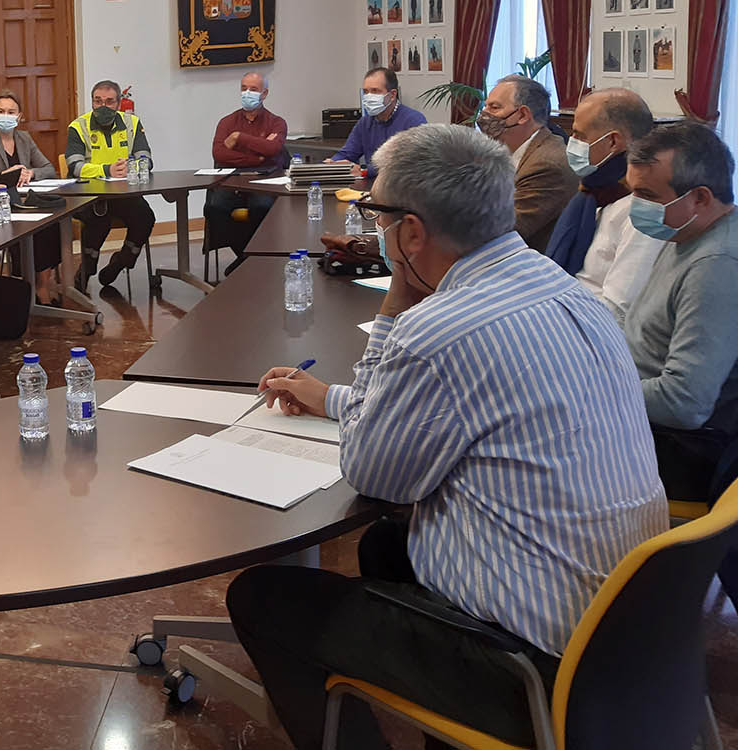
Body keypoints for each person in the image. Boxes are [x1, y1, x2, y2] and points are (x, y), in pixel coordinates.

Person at [226, 125, 666, 750]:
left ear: (410, 232)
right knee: (384, 547)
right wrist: (329, 397)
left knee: (263, 597)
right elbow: (445, 409)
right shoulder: (572, 294)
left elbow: (372, 470)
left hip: (532, 667)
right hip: (627, 635)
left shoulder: (437, 330)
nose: (370, 227)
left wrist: (395, 304)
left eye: (374, 213)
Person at [624, 121, 738, 504]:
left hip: (677, 450)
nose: (634, 207)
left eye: (646, 195)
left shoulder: (717, 263)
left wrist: (597, 387)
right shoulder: (687, 233)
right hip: (647, 426)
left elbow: (684, 403)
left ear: (700, 198)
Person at [546, 88, 665, 325]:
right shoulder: (593, 190)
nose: (572, 143)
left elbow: (618, 311)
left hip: (590, 332)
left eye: (579, 135)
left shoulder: (640, 210)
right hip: (562, 314)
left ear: (612, 141)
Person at [0, 90, 63, 304]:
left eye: (11, 112)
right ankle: (26, 285)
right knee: (23, 229)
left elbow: (49, 168)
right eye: (1, 111)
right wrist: (3, 177)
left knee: (50, 223)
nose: (5, 115)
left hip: (25, 201)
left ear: (19, 116)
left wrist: (31, 173)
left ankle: (43, 285)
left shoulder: (24, 138)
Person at [65, 79, 156, 291]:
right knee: (99, 220)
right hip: (90, 194)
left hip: (124, 193)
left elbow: (147, 158)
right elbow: (74, 167)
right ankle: (87, 269)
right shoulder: (78, 126)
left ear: (118, 103)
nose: (103, 106)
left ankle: (121, 262)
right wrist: (106, 170)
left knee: (145, 217)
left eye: (109, 101)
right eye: (98, 101)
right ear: (92, 102)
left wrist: (133, 165)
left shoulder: (132, 123)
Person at [478, 74, 580, 252]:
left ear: (523, 115)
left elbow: (502, 230)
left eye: (494, 108)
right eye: (485, 106)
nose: (484, 114)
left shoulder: (547, 164)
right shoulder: (500, 150)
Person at [205, 71, 287, 276]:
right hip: (233, 179)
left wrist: (239, 138)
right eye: (244, 88)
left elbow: (272, 150)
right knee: (214, 207)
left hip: (265, 181)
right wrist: (256, 157)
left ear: (265, 93)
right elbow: (219, 153)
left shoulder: (276, 122)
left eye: (253, 89)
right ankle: (245, 256)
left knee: (262, 206)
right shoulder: (227, 122)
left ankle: (258, 257)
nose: (247, 93)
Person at [327, 67, 426, 176]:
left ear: (392, 95)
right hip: (371, 187)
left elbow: (409, 164)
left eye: (375, 91)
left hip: (402, 188)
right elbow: (348, 153)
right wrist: (333, 163)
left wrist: (364, 170)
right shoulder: (365, 122)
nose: (369, 96)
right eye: (366, 92)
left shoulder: (413, 121)